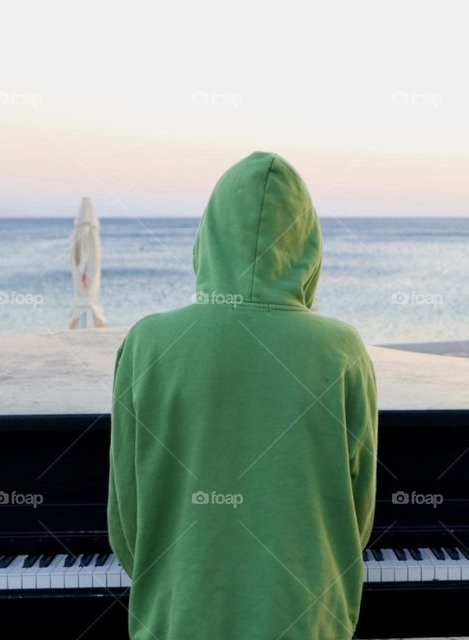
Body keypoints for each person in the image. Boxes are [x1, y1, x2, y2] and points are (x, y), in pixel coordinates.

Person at [108, 151, 378, 639]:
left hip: (179, 621)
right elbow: (356, 514)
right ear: (307, 243)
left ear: (208, 237)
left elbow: (127, 515)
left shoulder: (146, 342)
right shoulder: (343, 348)